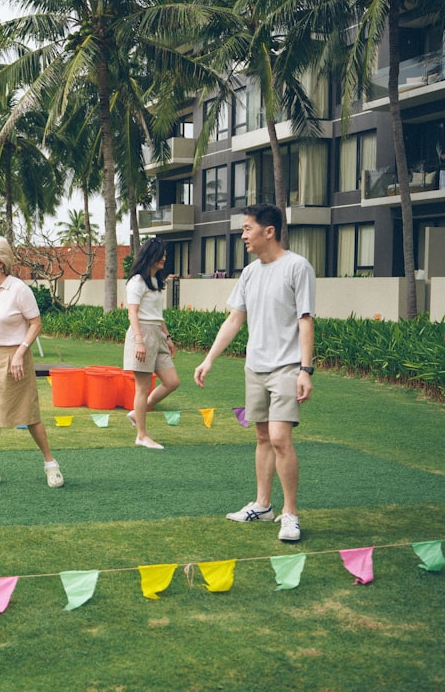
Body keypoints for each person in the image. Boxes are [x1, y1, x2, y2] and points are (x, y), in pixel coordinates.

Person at [194, 203, 315, 543]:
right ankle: (263, 505)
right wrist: (209, 359)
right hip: (255, 367)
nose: (243, 235)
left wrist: (305, 369)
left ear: (269, 231)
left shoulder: (297, 267)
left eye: (248, 228)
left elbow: (306, 319)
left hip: (287, 367)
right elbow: (234, 319)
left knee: (279, 438)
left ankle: (290, 514)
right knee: (262, 437)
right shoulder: (249, 273)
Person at [0, 236, 63, 489]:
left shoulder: (19, 289)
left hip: (14, 357)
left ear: (0, 262)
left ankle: (51, 464)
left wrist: (20, 352)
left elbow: (36, 323)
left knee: (28, 414)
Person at [123, 238, 181, 449]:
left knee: (172, 381)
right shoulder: (137, 281)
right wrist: (139, 341)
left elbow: (158, 314)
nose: (165, 257)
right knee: (143, 387)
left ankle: (136, 413)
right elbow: (133, 313)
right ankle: (141, 435)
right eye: (162, 254)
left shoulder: (156, 281)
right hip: (143, 334)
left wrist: (168, 337)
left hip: (157, 332)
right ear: (151, 255)